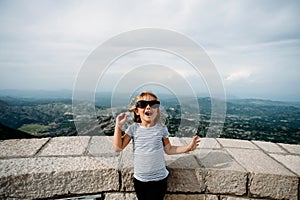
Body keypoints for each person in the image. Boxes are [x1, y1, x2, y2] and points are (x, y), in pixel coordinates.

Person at [113, 91, 201, 200]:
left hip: (160, 179)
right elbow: (118, 147)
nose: (148, 107)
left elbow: (169, 149)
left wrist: (188, 148)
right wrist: (118, 126)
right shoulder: (133, 129)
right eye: (143, 104)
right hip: (141, 180)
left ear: (157, 110)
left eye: (153, 104)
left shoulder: (161, 129)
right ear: (136, 111)